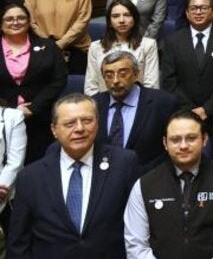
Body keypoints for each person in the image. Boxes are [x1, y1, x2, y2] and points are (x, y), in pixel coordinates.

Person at [9, 93, 139, 257]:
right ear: (54, 130)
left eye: (87, 121)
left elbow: (139, 230)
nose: (79, 129)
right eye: (70, 123)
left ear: (98, 124)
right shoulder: (30, 177)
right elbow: (18, 243)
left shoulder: (124, 164)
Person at [123, 110, 213, 259]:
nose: (183, 146)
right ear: (165, 143)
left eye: (191, 138)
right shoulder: (145, 185)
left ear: (204, 139)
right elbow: (136, 244)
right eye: (175, 139)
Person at [92, 48, 179, 174]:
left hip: (150, 179)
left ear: (136, 74)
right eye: (109, 75)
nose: (115, 81)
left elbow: (172, 147)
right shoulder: (93, 105)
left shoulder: (163, 103)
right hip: (103, 179)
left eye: (123, 73)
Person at [0, 3, 67, 163]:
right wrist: (9, 111)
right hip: (1, 120)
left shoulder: (48, 46)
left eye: (21, 18)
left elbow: (58, 79)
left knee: (38, 167)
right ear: (1, 24)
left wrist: (33, 108)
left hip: (40, 118)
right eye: (9, 19)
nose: (15, 22)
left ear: (29, 21)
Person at [84, 0, 158, 94]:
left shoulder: (148, 45)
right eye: (115, 16)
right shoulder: (95, 46)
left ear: (134, 19)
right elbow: (91, 86)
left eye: (127, 15)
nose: (121, 20)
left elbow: (151, 85)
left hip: (138, 103)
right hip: (104, 103)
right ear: (109, 21)